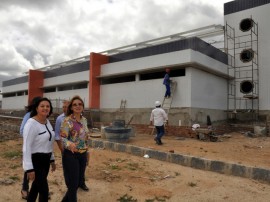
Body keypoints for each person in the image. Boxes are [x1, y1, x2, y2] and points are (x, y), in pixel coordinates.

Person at [22, 97, 56, 202]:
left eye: (48, 106)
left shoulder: (47, 122)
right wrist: (29, 169)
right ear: (36, 108)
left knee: (36, 188)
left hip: (45, 160)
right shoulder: (31, 124)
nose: (45, 108)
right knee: (44, 191)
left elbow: (49, 143)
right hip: (35, 161)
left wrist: (52, 159)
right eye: (42, 106)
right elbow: (26, 147)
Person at [61, 95, 90, 202]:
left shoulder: (84, 120)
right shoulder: (67, 121)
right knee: (72, 185)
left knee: (77, 183)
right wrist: (70, 144)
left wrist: (88, 152)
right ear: (71, 107)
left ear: (83, 106)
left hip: (82, 155)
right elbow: (63, 139)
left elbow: (85, 138)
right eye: (75, 104)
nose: (78, 106)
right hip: (71, 155)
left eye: (80, 104)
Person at [20, 96, 41, 200]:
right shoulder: (28, 115)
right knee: (29, 168)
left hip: (40, 148)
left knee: (40, 169)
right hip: (30, 147)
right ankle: (24, 189)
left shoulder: (42, 117)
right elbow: (22, 130)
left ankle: (41, 190)